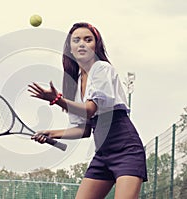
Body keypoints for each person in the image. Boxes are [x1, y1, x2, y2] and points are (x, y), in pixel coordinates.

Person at [28, 22, 147, 199]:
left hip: (126, 149)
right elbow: (84, 129)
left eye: (87, 39)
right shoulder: (74, 83)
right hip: (102, 154)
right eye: (76, 40)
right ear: (69, 47)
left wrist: (57, 100)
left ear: (96, 45)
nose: (82, 43)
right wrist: (51, 133)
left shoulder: (102, 69)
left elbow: (90, 110)